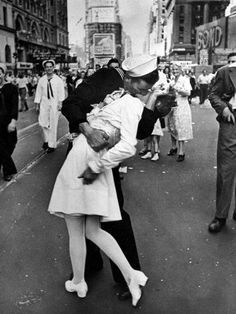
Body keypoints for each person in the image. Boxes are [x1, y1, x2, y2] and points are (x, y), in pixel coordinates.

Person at [48, 55, 161, 307]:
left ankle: (125, 276)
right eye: (141, 82)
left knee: (112, 215)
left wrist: (151, 109)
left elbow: (140, 132)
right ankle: (88, 268)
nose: (144, 87)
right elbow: (71, 104)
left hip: (105, 160)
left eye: (148, 84)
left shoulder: (140, 96)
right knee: (83, 217)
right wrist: (87, 129)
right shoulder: (103, 77)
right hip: (84, 150)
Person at [208, 52, 236, 233]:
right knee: (226, 169)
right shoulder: (226, 72)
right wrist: (224, 109)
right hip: (231, 121)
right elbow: (213, 94)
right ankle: (221, 216)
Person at [34, 59, 65, 153]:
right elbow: (38, 92)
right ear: (45, 68)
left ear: (53, 67)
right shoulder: (42, 80)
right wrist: (37, 104)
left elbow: (61, 93)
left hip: (55, 104)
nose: (49, 68)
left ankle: (51, 145)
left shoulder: (58, 80)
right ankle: (46, 140)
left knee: (53, 125)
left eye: (50, 67)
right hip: (44, 104)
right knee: (43, 123)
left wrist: (60, 103)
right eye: (47, 67)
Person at [167, 64, 193, 162]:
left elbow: (188, 93)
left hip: (182, 106)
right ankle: (174, 147)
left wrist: (177, 89)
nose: (174, 71)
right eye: (173, 69)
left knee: (180, 127)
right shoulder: (172, 80)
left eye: (176, 69)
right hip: (172, 106)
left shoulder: (185, 80)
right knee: (172, 127)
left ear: (180, 70)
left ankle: (181, 152)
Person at [0, 64, 18, 181]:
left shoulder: (11, 88)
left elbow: (14, 106)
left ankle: (3, 162)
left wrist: (13, 121)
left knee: (11, 143)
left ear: (3, 74)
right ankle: (8, 171)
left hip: (7, 121)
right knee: (1, 146)